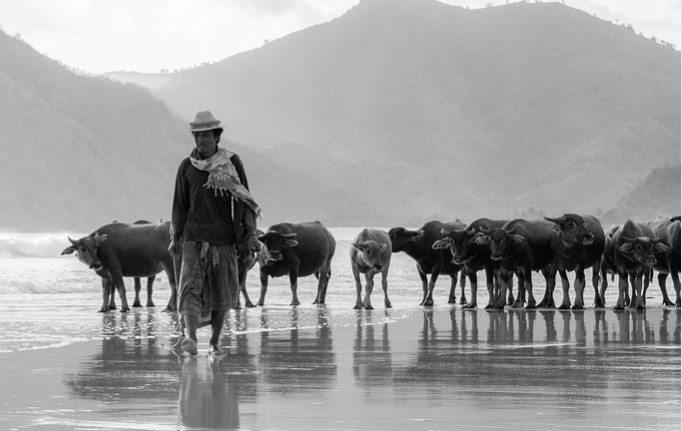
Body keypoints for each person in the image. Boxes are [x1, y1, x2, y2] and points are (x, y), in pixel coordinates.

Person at [169, 110, 261, 356]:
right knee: (189, 288)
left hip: (224, 238)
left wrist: (250, 232)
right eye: (197, 136)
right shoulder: (186, 166)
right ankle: (190, 337)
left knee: (223, 292)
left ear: (217, 136)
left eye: (206, 135)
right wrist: (175, 237)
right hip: (193, 237)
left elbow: (245, 199)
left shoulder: (231, 162)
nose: (201, 140)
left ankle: (214, 342)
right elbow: (179, 205)